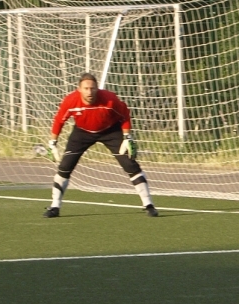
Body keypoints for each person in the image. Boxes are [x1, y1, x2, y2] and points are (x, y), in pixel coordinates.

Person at [43, 73, 158, 218]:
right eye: (86, 89)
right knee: (65, 166)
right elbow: (59, 120)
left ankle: (148, 205)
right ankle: (55, 206)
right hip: (82, 132)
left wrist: (127, 137)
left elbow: (124, 115)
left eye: (92, 88)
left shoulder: (109, 99)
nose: (89, 92)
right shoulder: (70, 101)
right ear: (79, 89)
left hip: (110, 130)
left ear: (97, 88)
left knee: (130, 164)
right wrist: (52, 142)